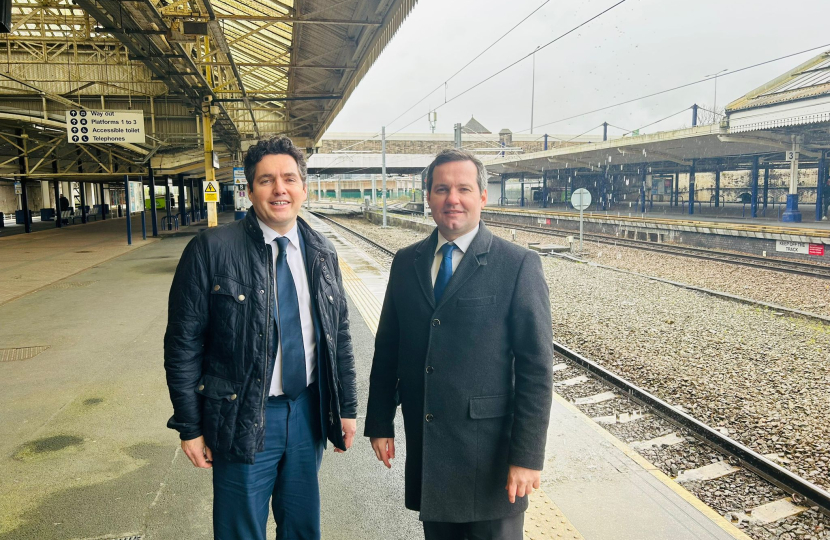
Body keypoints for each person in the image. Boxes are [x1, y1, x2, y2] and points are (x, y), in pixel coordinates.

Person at [164, 136, 357, 540]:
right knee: (240, 530)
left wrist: (347, 407)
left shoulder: (322, 251)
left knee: (302, 527)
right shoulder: (210, 250)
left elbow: (338, 336)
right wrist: (190, 426)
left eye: (289, 178)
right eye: (266, 180)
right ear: (249, 190)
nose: (279, 189)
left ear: (304, 187)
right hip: (242, 416)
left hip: (307, 412)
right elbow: (183, 345)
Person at [364, 148, 554, 540]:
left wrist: (527, 457)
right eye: (442, 189)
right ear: (429, 197)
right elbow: (388, 348)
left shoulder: (517, 264)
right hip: (431, 449)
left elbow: (537, 370)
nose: (453, 199)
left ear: (482, 197)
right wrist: (380, 421)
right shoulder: (407, 262)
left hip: (491, 460)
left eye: (464, 189)